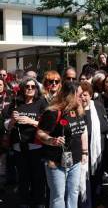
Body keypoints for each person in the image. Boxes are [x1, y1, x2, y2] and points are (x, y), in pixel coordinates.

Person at [36, 81, 87, 208]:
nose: (83, 97)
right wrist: (52, 140)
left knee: (74, 193)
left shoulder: (79, 111)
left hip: (75, 160)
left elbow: (82, 132)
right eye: (80, 95)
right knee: (58, 196)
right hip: (55, 161)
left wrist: (84, 152)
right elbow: (40, 133)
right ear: (71, 95)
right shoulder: (53, 112)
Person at [4, 77, 47, 208]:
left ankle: (39, 201)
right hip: (19, 145)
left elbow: (48, 123)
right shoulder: (16, 102)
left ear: (36, 89)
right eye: (27, 86)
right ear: (22, 88)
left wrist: (31, 121)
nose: (29, 89)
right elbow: (7, 126)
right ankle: (24, 201)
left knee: (37, 176)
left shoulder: (41, 103)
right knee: (23, 176)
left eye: (32, 87)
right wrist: (12, 120)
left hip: (36, 144)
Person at [79, 82, 108, 208]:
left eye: (85, 95)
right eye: (80, 95)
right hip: (81, 150)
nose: (83, 98)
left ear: (91, 95)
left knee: (96, 178)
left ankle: (97, 202)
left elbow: (105, 126)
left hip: (97, 149)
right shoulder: (75, 109)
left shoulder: (97, 106)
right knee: (83, 178)